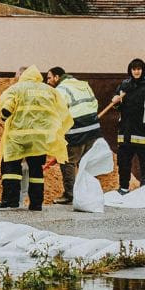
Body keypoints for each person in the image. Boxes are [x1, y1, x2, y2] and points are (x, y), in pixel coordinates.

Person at [0, 66, 70, 212]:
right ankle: (36, 204)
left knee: (11, 168)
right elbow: (62, 111)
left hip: (18, 138)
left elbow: (7, 107)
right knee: (36, 171)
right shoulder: (48, 90)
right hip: (39, 140)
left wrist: (4, 117)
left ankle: (11, 200)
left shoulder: (17, 88)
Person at [103, 58, 145, 192]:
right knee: (123, 162)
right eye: (134, 69)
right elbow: (118, 107)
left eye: (139, 69)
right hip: (126, 131)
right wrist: (116, 101)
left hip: (144, 131)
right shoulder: (124, 86)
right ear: (130, 71)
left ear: (143, 70)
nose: (136, 71)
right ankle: (124, 188)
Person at [44, 66, 102, 204]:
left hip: (76, 129)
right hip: (93, 128)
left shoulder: (61, 90)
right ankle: (87, 193)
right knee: (86, 163)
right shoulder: (82, 84)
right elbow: (95, 103)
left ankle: (70, 195)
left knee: (67, 161)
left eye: (49, 77)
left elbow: (58, 113)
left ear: (57, 77)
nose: (47, 81)